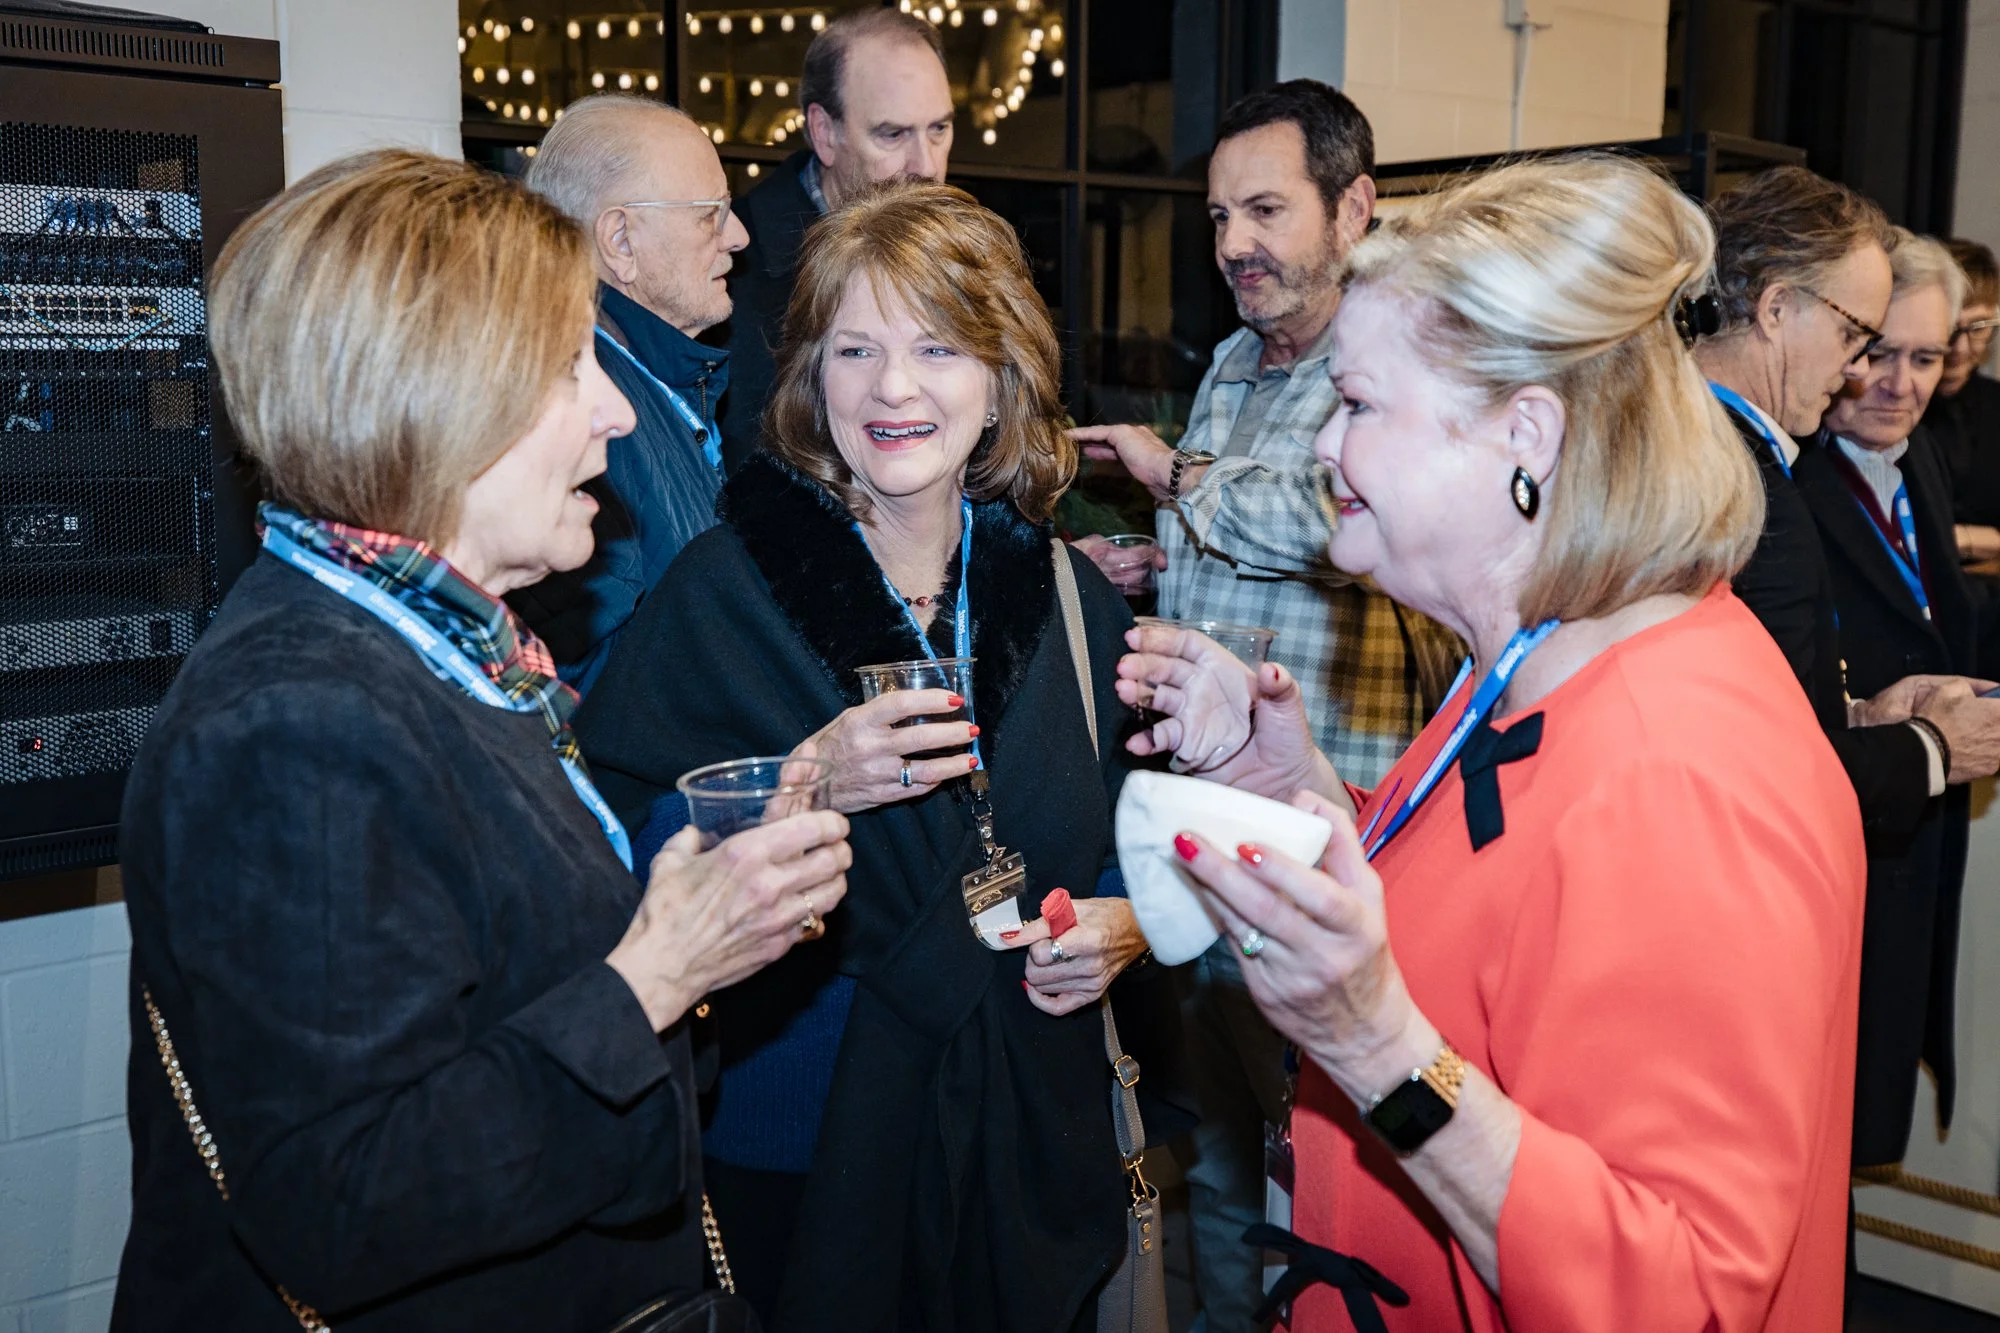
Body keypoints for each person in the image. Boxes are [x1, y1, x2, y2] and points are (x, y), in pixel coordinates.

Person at [1118, 153, 1864, 1331]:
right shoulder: (1534, 660)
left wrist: (1375, 1050)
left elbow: (1676, 1294)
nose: (1323, 448)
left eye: (1358, 405)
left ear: (1525, 433)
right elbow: (1498, 918)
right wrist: (1294, 783)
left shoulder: (1677, 772)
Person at [111, 150, 852, 1330]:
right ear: (431, 398)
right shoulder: (293, 721)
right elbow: (347, 1206)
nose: (616, 410)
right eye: (568, 368)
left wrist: (697, 927)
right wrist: (659, 969)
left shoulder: (450, 655)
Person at [577, 182, 1183, 1333]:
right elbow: (609, 852)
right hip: (801, 1146)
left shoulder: (1064, 594)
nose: (892, 388)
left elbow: (1138, 825)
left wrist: (1127, 923)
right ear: (811, 378)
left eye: (936, 347)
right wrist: (801, 779)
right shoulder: (725, 591)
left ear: (1000, 376)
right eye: (853, 349)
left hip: (1026, 1127)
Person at [1070, 79, 1459, 1333]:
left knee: (1335, 1179)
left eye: (1265, 209)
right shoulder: (1234, 363)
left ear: (1353, 207)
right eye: (1217, 216)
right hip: (1198, 845)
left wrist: (1175, 476)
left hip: (1329, 846)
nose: (1233, 242)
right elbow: (1236, 557)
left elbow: (1333, 520)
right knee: (1229, 1163)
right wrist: (1151, 569)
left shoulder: (1401, 364)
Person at [1697, 169, 2000, 877]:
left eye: (1924, 357)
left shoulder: (1719, 454)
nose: (1864, 369)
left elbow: (1760, 714)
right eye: (1856, 336)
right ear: (1776, 309)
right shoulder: (1745, 486)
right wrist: (1932, 748)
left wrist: (1857, 713)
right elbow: (1763, 771)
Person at [1798, 230, 2000, 1169]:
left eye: (1926, 358)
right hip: (1834, 847)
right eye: (1878, 353)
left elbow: (1947, 623)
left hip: (1916, 841)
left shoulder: (1917, 461)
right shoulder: (1782, 478)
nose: (1899, 384)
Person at [506, 95, 750, 693]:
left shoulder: (658, 379)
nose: (738, 236)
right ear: (619, 240)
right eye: (711, 214)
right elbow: (579, 697)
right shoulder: (586, 420)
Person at [711, 8, 954, 473]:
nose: (926, 165)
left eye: (939, 129)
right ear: (824, 133)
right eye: (893, 134)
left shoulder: (964, 255)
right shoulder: (729, 268)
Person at [1927, 239, 2000, 554]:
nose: (1960, 348)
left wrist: (1960, 539)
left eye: (1979, 327)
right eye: (1950, 328)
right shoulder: (1892, 405)